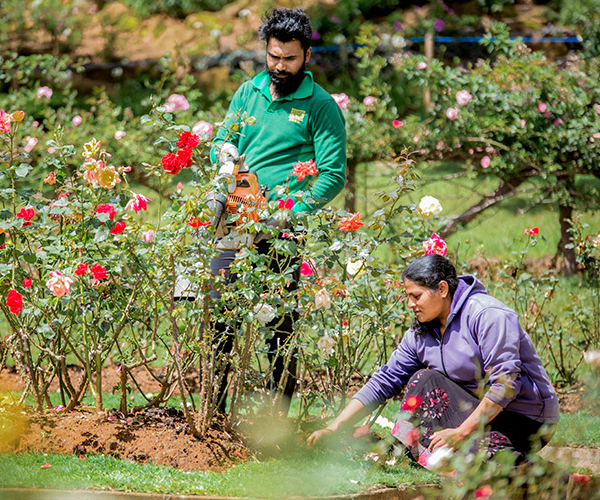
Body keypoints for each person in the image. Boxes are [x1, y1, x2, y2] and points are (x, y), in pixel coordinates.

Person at [208, 8, 347, 414]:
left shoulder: (320, 105)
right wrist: (225, 152)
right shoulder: (249, 92)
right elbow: (224, 136)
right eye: (273, 56)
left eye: (288, 58)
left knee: (278, 326)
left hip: (281, 228)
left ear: (306, 55)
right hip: (235, 216)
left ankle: (277, 423)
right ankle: (213, 414)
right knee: (221, 315)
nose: (279, 66)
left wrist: (291, 211)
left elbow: (333, 174)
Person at [307, 254, 560, 468]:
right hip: (478, 416)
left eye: (416, 296)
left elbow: (505, 385)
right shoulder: (422, 331)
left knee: (465, 454)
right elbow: (384, 381)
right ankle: (422, 451)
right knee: (425, 382)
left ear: (442, 289)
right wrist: (335, 427)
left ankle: (539, 474)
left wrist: (460, 432)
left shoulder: (487, 315)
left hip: (526, 420)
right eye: (408, 296)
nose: (410, 304)